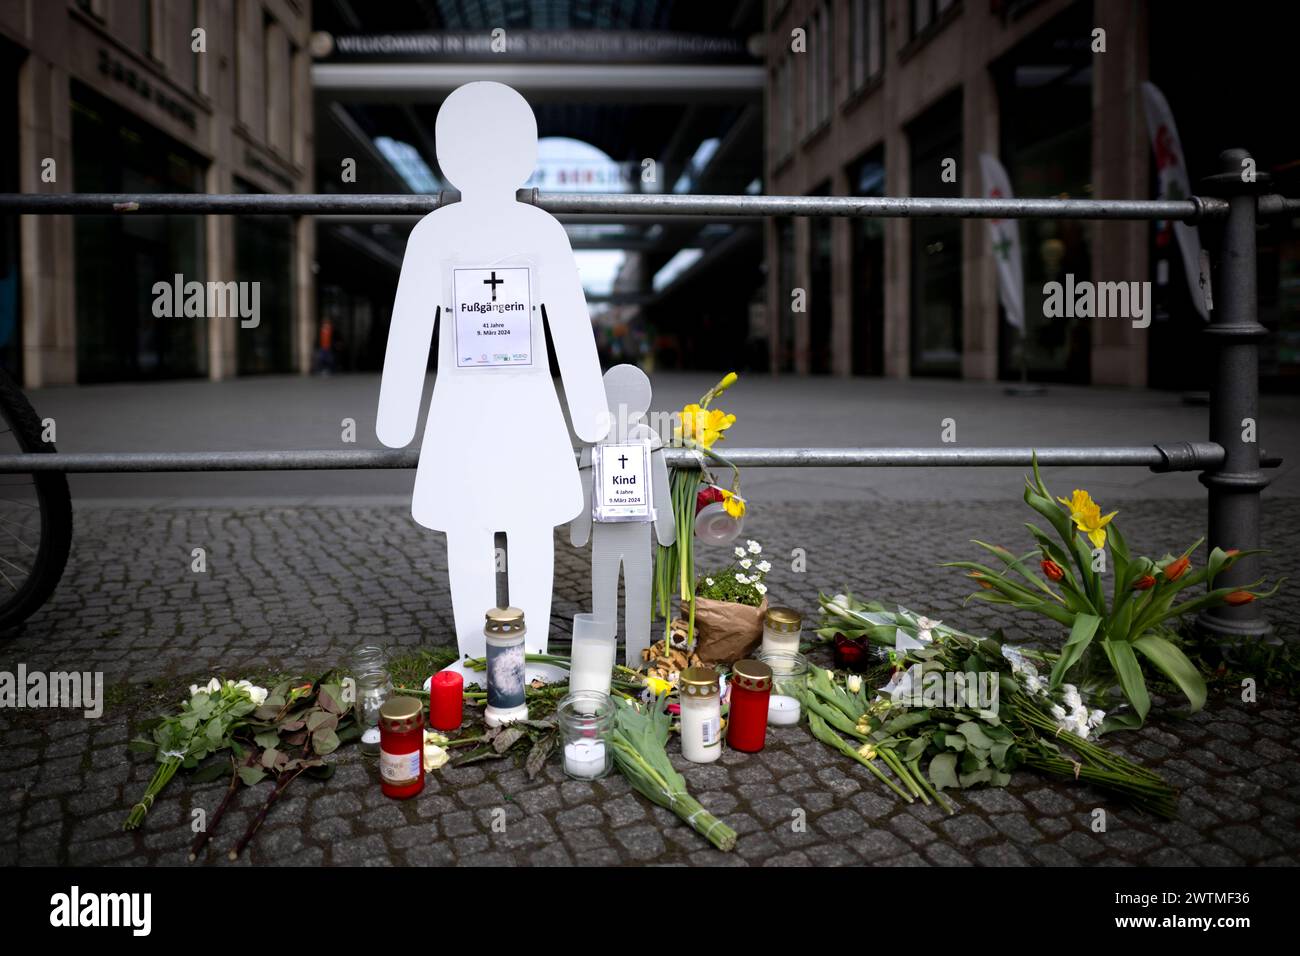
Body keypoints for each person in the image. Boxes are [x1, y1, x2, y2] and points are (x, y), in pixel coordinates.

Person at [376, 82, 608, 661]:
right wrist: (589, 414)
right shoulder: (539, 231)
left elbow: (409, 334)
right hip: (512, 406)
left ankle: (495, 660)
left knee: (484, 527)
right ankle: (502, 659)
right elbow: (573, 333)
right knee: (500, 527)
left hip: (477, 406)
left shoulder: (436, 233)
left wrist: (397, 418)